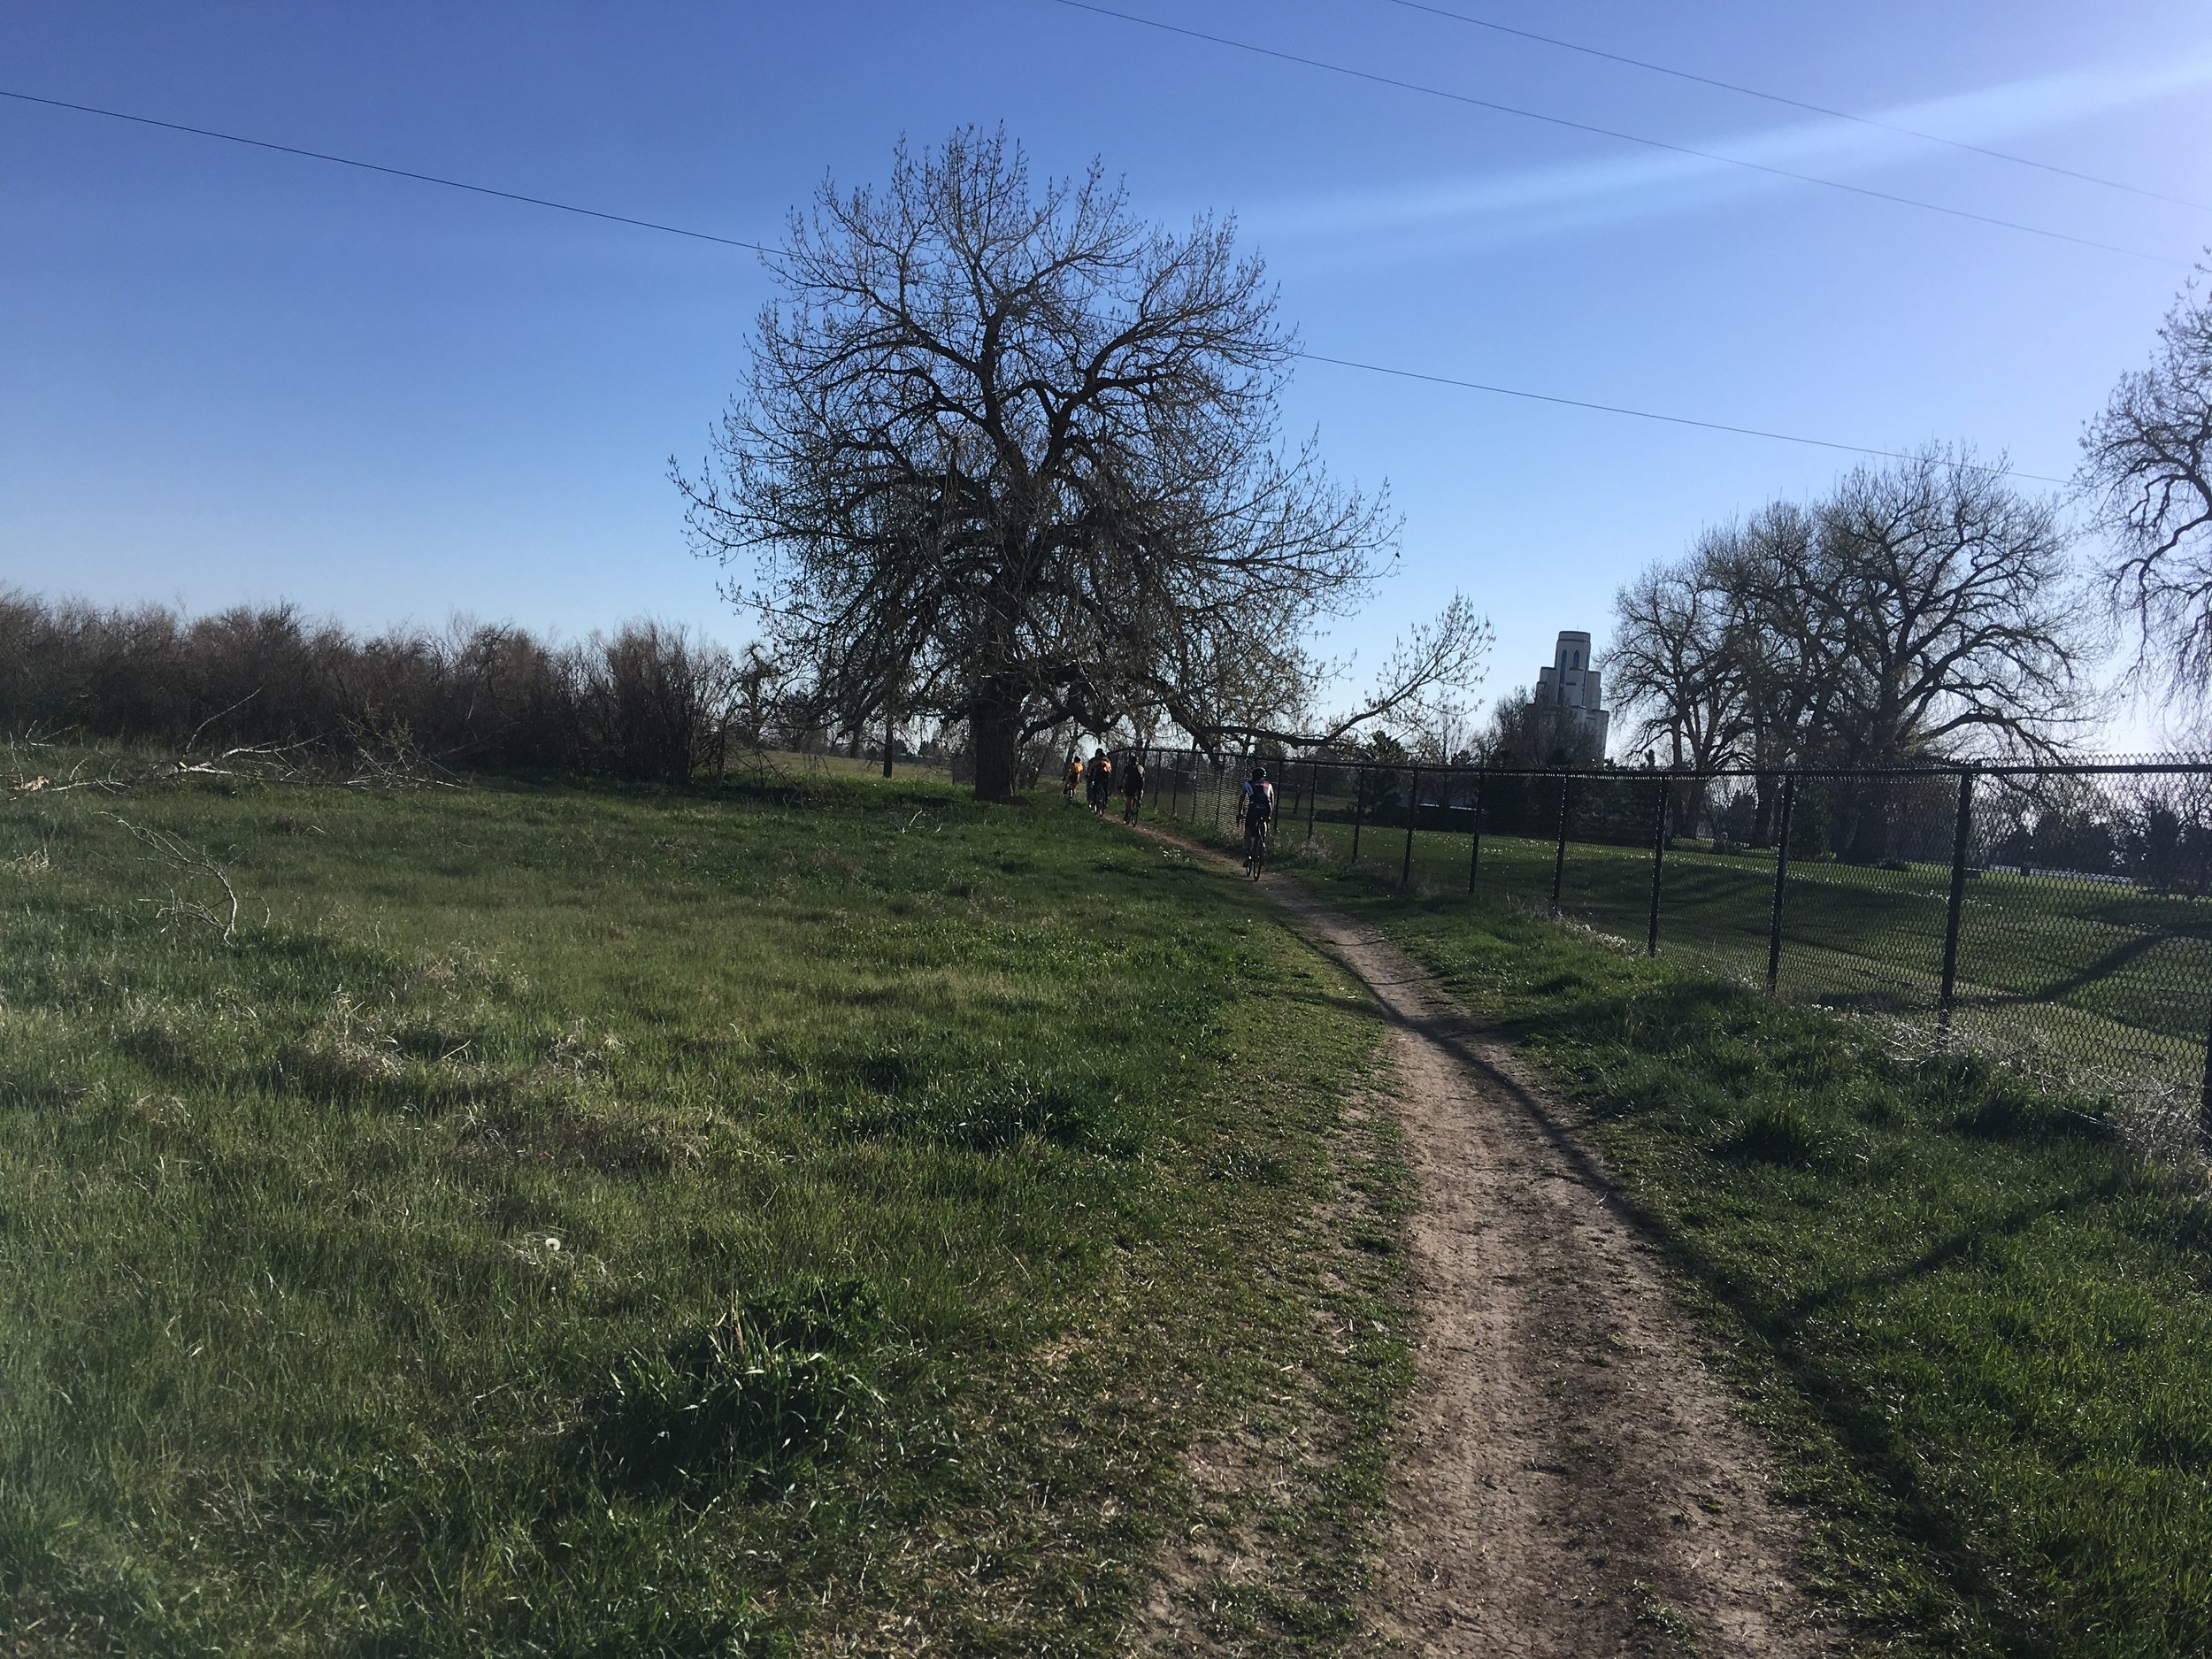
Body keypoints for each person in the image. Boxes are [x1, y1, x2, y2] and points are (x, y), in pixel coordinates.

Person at [1242, 764, 1276, 877]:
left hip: (1254, 807)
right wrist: (1270, 815)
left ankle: (1248, 854)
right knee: (1264, 822)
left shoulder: (1248, 783)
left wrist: (1240, 813)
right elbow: (1272, 798)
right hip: (1267, 807)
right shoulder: (1269, 785)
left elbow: (1241, 799)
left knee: (1248, 829)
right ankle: (1263, 844)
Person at [1121, 754, 1147, 823]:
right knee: (1139, 792)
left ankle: (1127, 815)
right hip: (1140, 784)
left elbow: (1124, 777)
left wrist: (1121, 784)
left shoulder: (1128, 767)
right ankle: (1139, 800)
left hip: (1130, 784)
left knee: (1129, 799)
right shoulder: (1141, 768)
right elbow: (1143, 777)